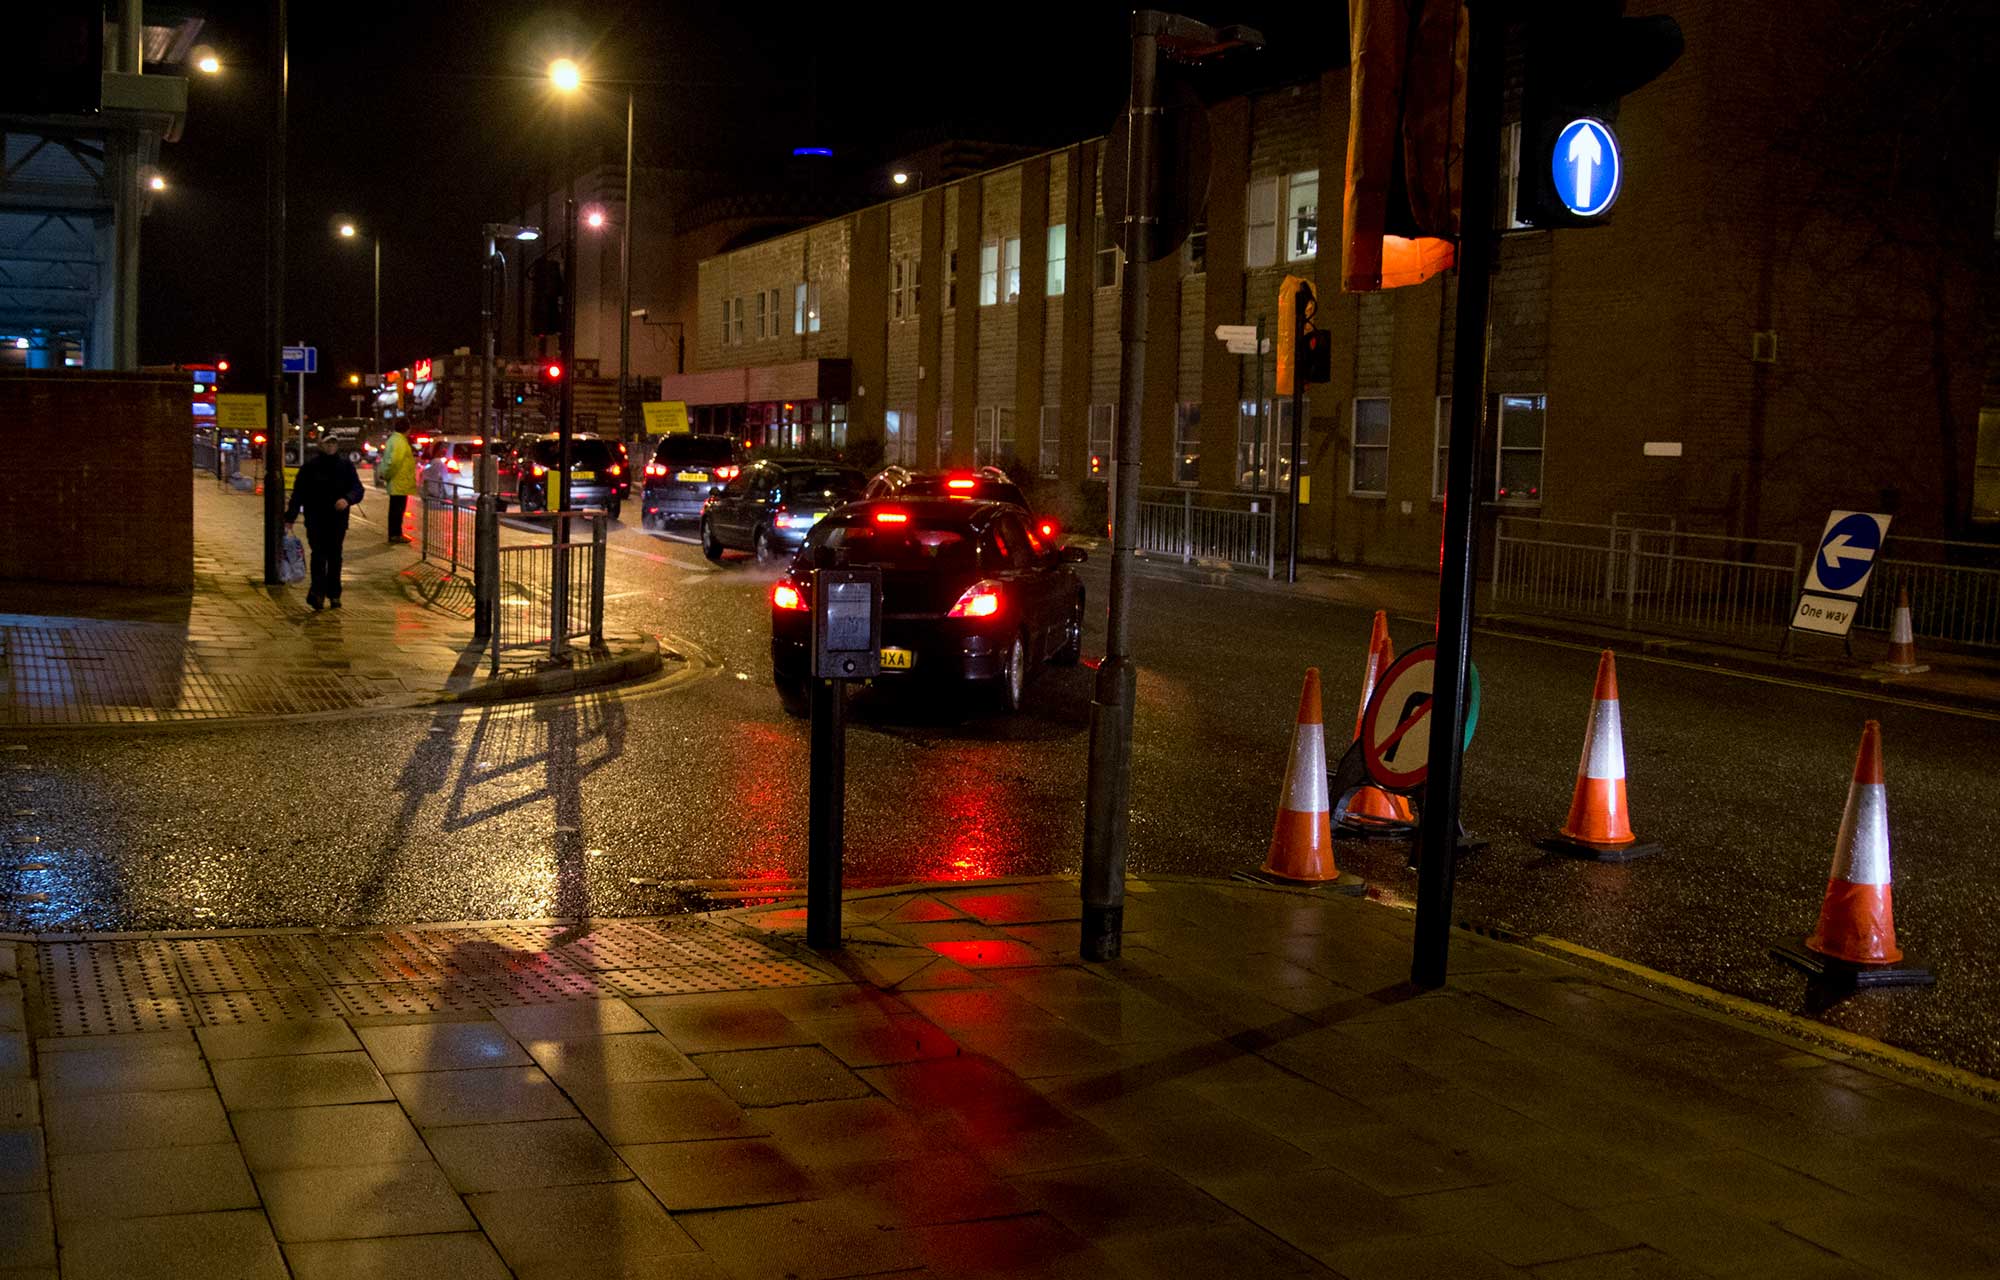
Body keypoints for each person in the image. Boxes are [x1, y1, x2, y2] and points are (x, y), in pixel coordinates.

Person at [284, 434, 366, 610]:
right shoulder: (310, 467)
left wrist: (347, 499)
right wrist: (290, 518)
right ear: (321, 444)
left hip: (337, 520)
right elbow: (299, 493)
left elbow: (358, 489)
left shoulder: (345, 466)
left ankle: (334, 594)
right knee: (319, 554)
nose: (331, 446)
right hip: (316, 518)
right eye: (328, 443)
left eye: (334, 443)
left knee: (335, 555)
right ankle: (318, 593)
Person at [378, 423, 417, 544]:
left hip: (397, 481)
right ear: (407, 429)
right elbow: (394, 462)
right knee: (397, 509)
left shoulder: (394, 440)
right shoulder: (399, 442)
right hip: (399, 481)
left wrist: (385, 474)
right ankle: (396, 534)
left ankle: (395, 534)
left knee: (396, 509)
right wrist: (387, 475)